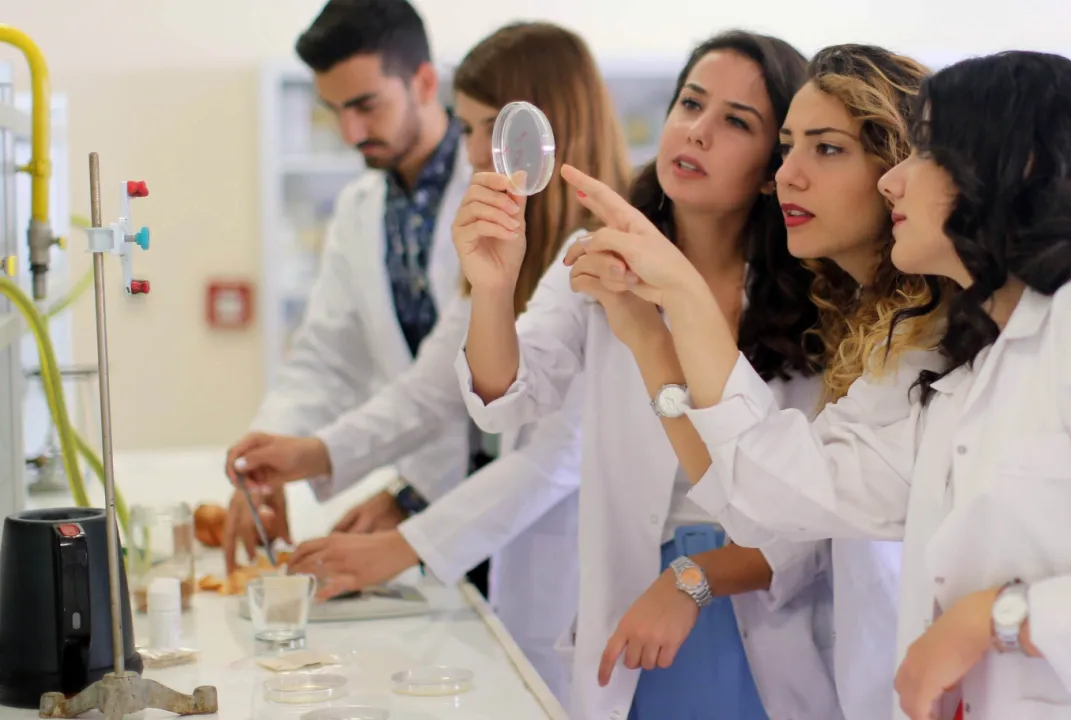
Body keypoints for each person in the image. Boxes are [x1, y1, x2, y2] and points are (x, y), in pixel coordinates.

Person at [572, 50, 1071, 720]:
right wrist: (668, 315)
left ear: (1015, 167)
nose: (894, 181)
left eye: (924, 151)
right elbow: (775, 493)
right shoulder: (979, 370)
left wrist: (989, 620)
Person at [223, 21, 632, 703]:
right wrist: (308, 454)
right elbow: (442, 383)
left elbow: (557, 451)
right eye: (468, 129)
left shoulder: (597, 253)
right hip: (481, 537)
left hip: (567, 557)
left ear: (544, 129)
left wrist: (408, 539)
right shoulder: (513, 243)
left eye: (484, 129)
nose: (472, 151)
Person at [454, 30, 843, 720]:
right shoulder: (596, 257)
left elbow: (812, 518)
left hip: (758, 599)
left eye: (736, 122)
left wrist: (693, 578)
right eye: (690, 103)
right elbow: (505, 397)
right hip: (634, 605)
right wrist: (493, 288)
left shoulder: (816, 293)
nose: (697, 131)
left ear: (772, 168)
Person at [563, 43, 947, 719]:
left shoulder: (930, 338)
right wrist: (647, 331)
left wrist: (679, 300)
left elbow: (773, 503)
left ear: (896, 169)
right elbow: (756, 497)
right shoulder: (863, 324)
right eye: (789, 147)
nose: (786, 175)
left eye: (827, 149)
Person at [221, 0, 475, 584]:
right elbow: (326, 356)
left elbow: (452, 382)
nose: (350, 133)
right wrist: (268, 455)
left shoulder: (491, 190)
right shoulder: (360, 208)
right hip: (423, 500)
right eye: (334, 111)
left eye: (365, 106)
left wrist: (321, 460)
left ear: (425, 82)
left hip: (503, 507)